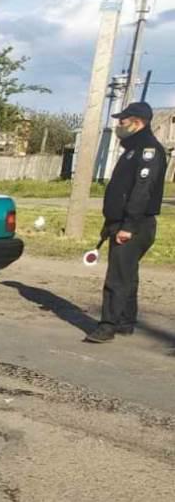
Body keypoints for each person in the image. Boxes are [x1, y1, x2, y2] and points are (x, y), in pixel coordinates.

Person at [86, 101, 168, 343]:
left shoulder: (148, 151)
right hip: (122, 222)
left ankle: (107, 326)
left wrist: (128, 226)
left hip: (135, 224)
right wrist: (111, 223)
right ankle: (125, 321)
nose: (119, 125)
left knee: (117, 278)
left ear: (137, 122)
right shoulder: (133, 149)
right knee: (128, 275)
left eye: (122, 121)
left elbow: (142, 191)